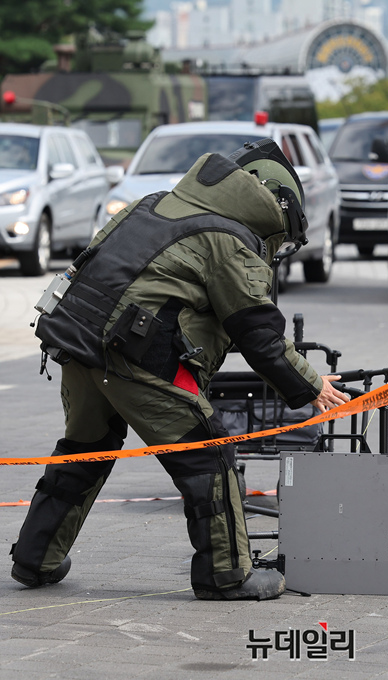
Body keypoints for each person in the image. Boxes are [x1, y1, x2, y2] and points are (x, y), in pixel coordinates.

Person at [10, 138, 349, 601]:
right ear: (274, 207)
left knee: (83, 451)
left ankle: (35, 560)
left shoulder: (151, 205)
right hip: (136, 358)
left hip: (75, 344)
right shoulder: (231, 240)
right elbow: (259, 334)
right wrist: (311, 385)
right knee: (209, 457)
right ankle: (226, 576)